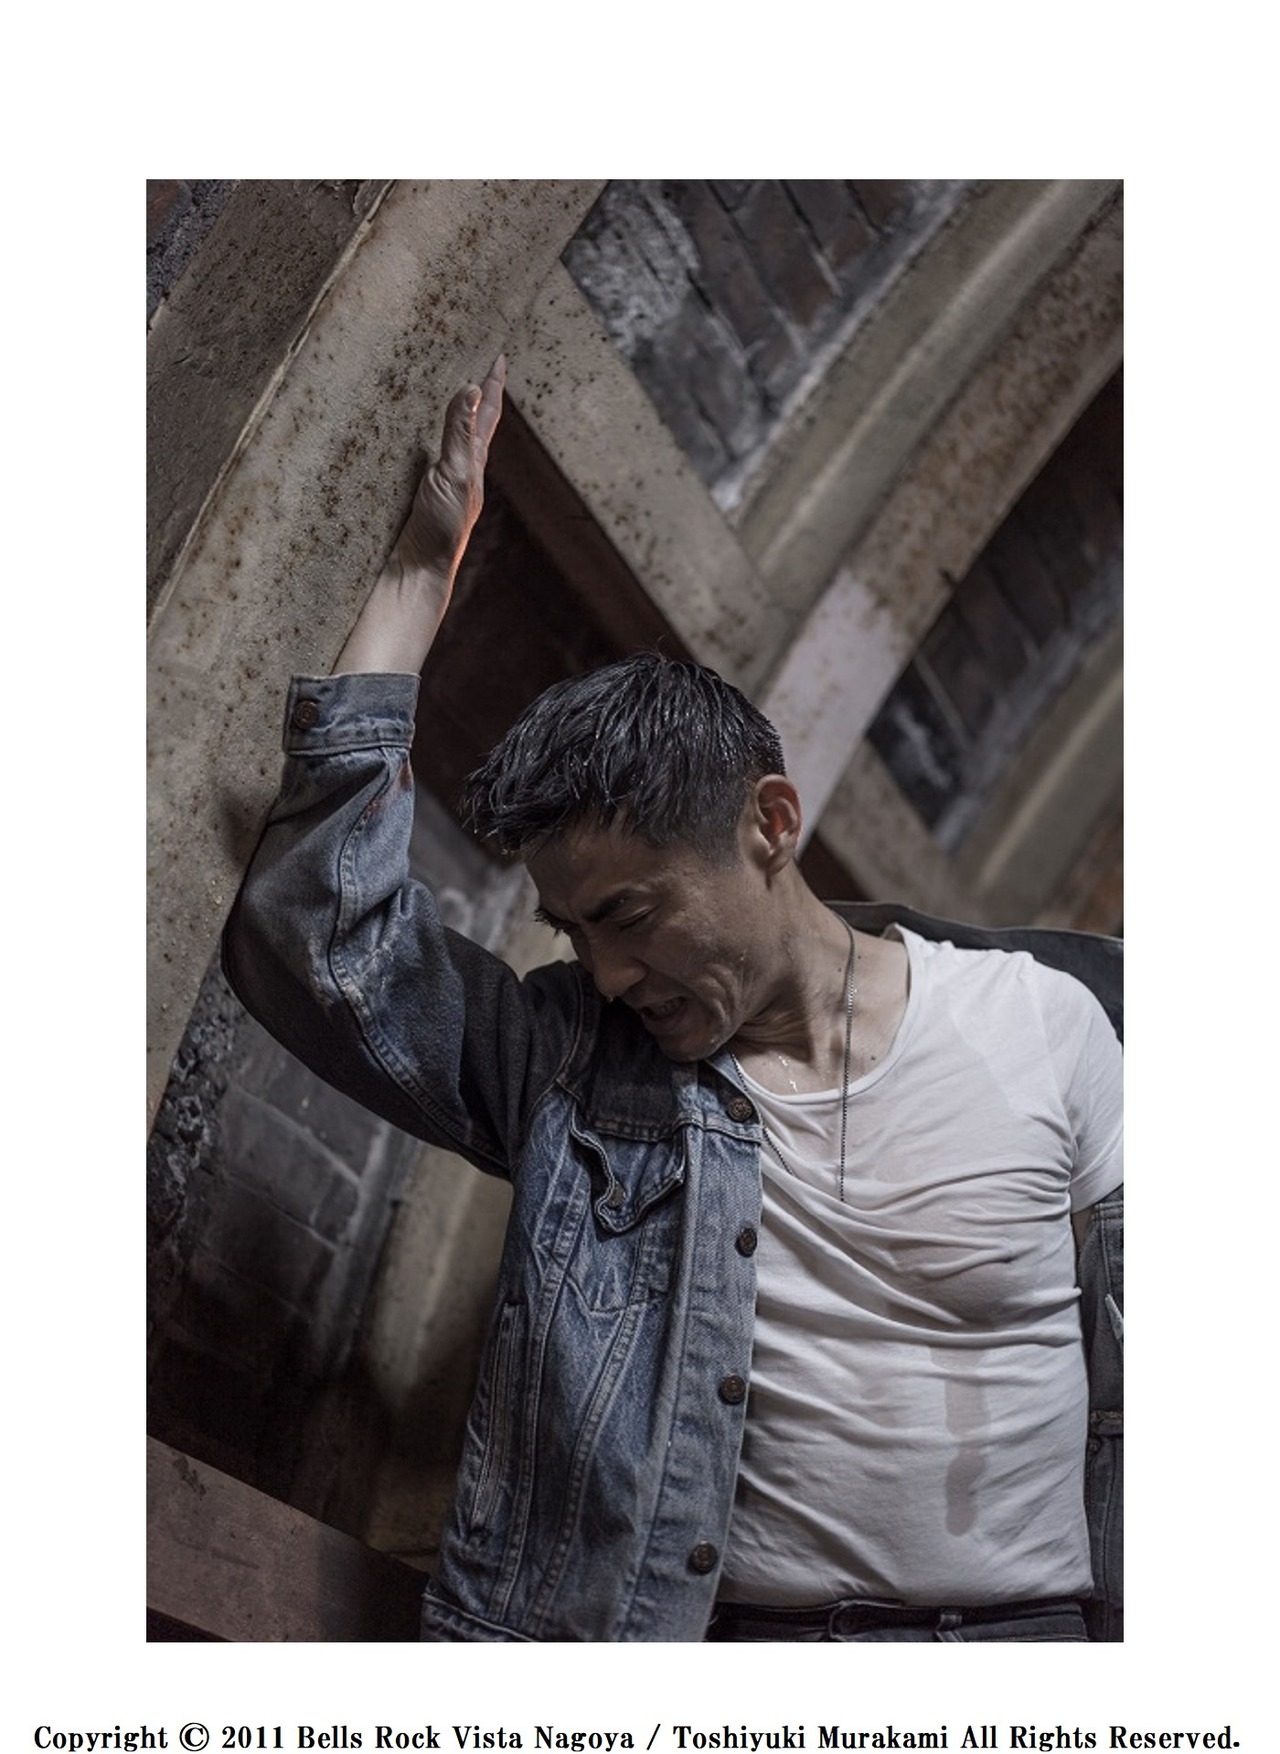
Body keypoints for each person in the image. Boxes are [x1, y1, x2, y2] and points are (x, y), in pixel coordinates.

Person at [223, 357, 1124, 1643]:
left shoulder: (1046, 1021)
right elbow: (320, 939)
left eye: (631, 915)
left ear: (769, 824)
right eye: (573, 931)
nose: (604, 972)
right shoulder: (580, 1066)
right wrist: (419, 577)